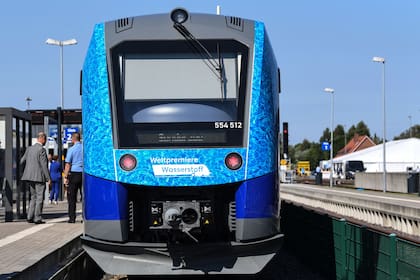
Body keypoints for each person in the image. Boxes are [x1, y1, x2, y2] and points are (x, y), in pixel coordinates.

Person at [20, 132, 51, 224]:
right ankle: (37, 218)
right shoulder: (41, 150)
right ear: (42, 139)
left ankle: (29, 216)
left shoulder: (29, 149)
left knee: (33, 197)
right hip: (39, 177)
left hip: (29, 177)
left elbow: (22, 160)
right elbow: (44, 165)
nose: (45, 142)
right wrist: (48, 178)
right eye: (45, 139)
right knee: (39, 198)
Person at [63, 132, 83, 223]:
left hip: (74, 174)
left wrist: (65, 176)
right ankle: (85, 217)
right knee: (85, 197)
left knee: (71, 197)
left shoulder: (71, 149)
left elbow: (68, 164)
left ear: (73, 139)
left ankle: (72, 218)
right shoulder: (85, 148)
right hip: (84, 174)